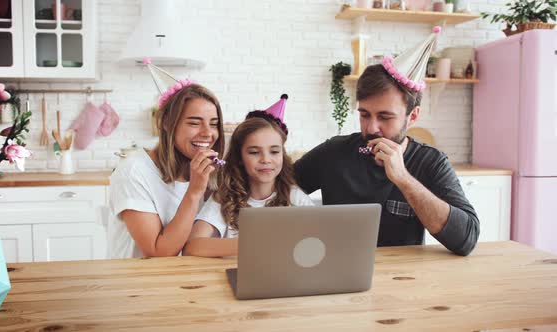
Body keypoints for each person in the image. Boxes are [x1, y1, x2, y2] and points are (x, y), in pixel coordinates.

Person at [294, 27, 479, 256]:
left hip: (403, 280)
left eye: (385, 117)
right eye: (364, 114)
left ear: (412, 116)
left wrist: (403, 179)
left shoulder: (430, 162)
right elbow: (279, 187)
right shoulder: (333, 152)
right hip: (336, 271)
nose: (371, 128)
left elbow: (466, 240)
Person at [107, 62, 225, 258]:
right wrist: (195, 191)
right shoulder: (133, 171)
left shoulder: (208, 171)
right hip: (136, 281)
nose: (207, 133)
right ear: (167, 124)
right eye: (194, 123)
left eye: (214, 124)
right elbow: (159, 252)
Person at [184, 95, 315, 257]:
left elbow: (317, 244)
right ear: (239, 158)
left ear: (283, 154)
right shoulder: (224, 198)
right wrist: (254, 243)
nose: (266, 160)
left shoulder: (295, 198)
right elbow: (192, 247)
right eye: (254, 152)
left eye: (274, 151)